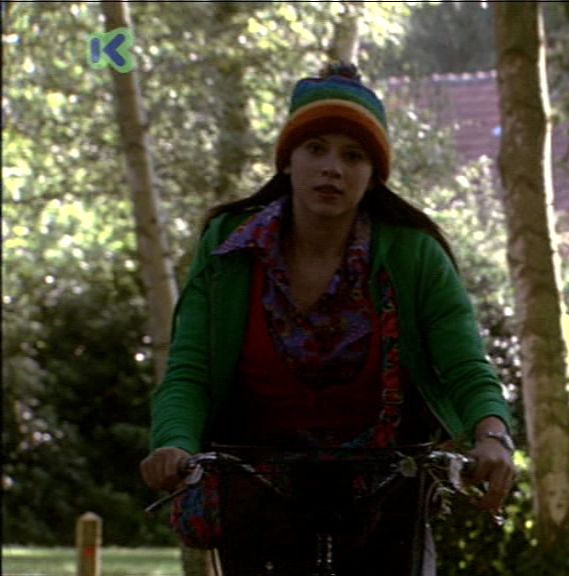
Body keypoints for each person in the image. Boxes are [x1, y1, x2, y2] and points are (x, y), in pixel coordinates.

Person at [140, 61, 515, 575]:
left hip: (388, 493)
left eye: (353, 155)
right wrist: (173, 444)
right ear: (287, 162)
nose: (332, 168)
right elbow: (191, 369)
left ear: (373, 175)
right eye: (315, 149)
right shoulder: (229, 249)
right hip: (255, 489)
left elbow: (465, 366)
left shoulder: (415, 254)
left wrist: (492, 435)